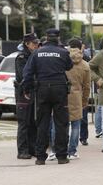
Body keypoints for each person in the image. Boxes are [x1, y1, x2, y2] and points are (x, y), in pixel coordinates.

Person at [22, 28, 73, 165]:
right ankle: (62, 156)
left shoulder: (37, 53)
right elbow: (69, 66)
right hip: (59, 89)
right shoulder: (63, 52)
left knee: (42, 123)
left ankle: (40, 157)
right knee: (61, 123)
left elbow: (27, 72)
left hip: (42, 89)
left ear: (45, 37)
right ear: (58, 38)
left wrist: (26, 89)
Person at [14, 33, 39, 159]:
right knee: (23, 123)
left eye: (37, 43)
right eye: (34, 43)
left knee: (32, 122)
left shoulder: (34, 56)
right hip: (23, 92)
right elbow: (24, 76)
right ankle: (22, 151)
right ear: (27, 44)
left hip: (32, 92)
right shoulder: (22, 57)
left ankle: (32, 148)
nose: (36, 45)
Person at [66, 38, 91, 159]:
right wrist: (85, 100)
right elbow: (87, 86)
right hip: (77, 96)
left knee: (59, 124)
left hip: (63, 95)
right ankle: (72, 151)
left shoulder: (62, 61)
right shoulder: (85, 65)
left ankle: (56, 149)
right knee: (76, 125)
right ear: (80, 47)